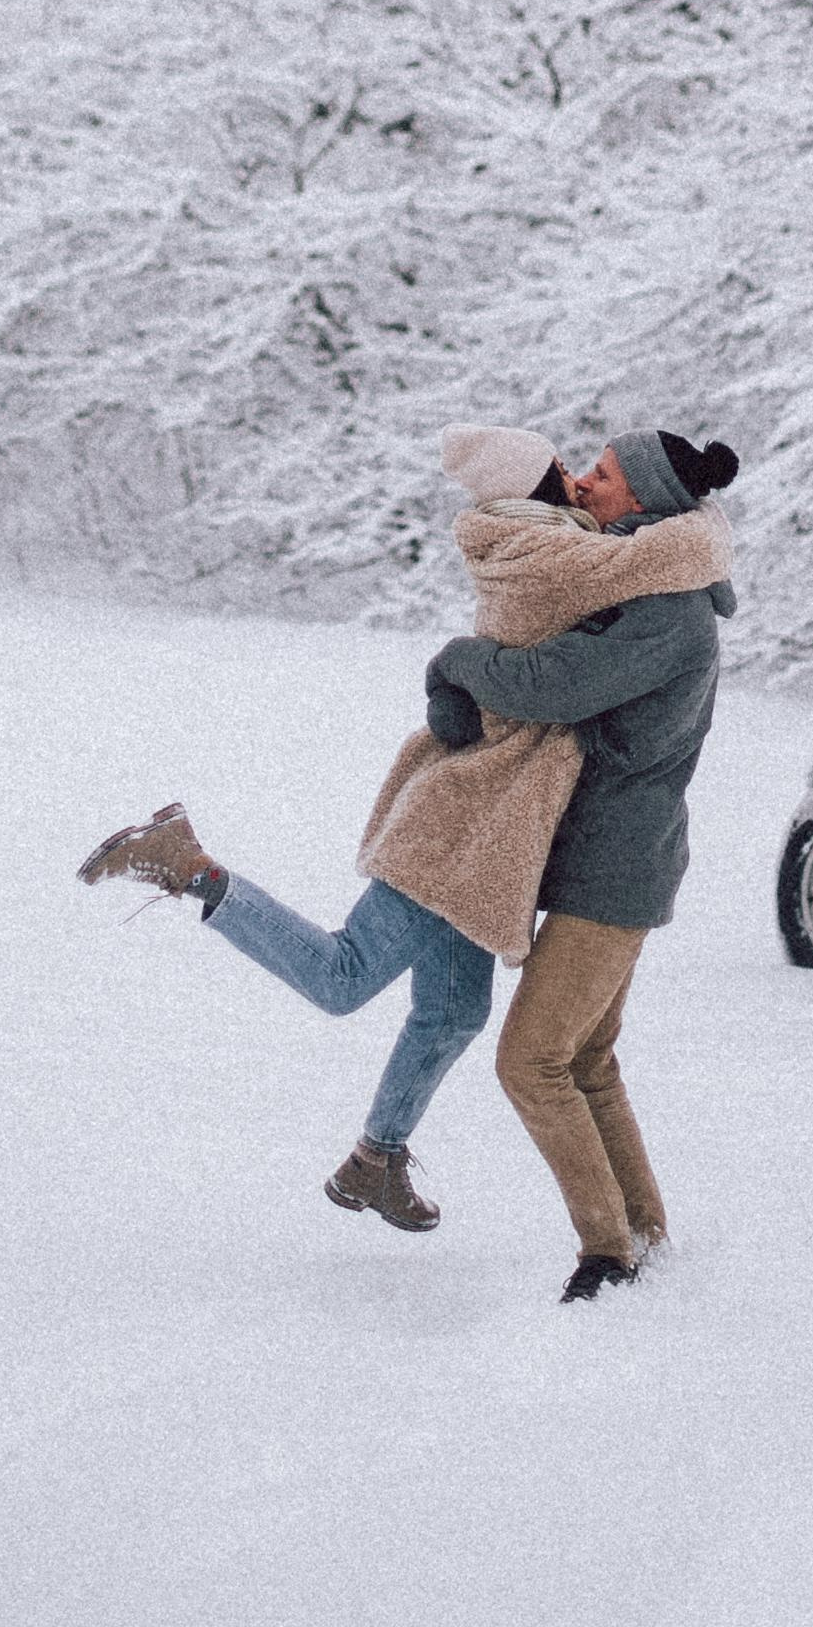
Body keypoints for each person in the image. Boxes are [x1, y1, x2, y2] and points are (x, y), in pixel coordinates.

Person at [76, 425, 733, 1246]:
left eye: (595, 470)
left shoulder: (591, 565)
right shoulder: (555, 559)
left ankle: (376, 1158)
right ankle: (192, 867)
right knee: (345, 976)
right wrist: (692, 543)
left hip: (498, 836)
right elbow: (554, 672)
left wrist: (687, 540)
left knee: (455, 1012)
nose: (581, 481)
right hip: (465, 826)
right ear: (534, 494)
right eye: (570, 471)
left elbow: (604, 615)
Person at [425, 427, 739, 1303]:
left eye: (602, 474)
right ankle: (645, 1236)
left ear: (642, 499)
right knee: (589, 1058)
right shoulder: (648, 586)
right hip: (618, 857)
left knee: (530, 1060)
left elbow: (553, 682)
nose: (584, 483)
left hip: (616, 866)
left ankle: (608, 1253)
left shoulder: (666, 611)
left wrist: (456, 661)